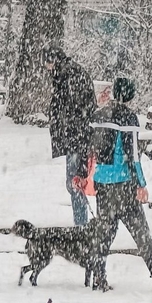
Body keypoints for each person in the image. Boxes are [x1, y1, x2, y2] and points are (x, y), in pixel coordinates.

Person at [88, 76, 152, 292]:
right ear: (130, 96)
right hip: (123, 186)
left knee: (104, 234)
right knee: (141, 233)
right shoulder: (129, 118)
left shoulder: (99, 115)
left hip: (102, 183)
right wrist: (141, 183)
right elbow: (133, 157)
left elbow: (91, 147)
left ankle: (99, 278)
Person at [46, 48, 95, 226]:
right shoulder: (69, 73)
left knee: (75, 183)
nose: (47, 68)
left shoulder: (67, 76)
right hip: (77, 137)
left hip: (76, 138)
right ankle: (81, 223)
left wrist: (66, 132)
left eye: (48, 63)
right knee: (75, 182)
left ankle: (81, 225)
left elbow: (71, 109)